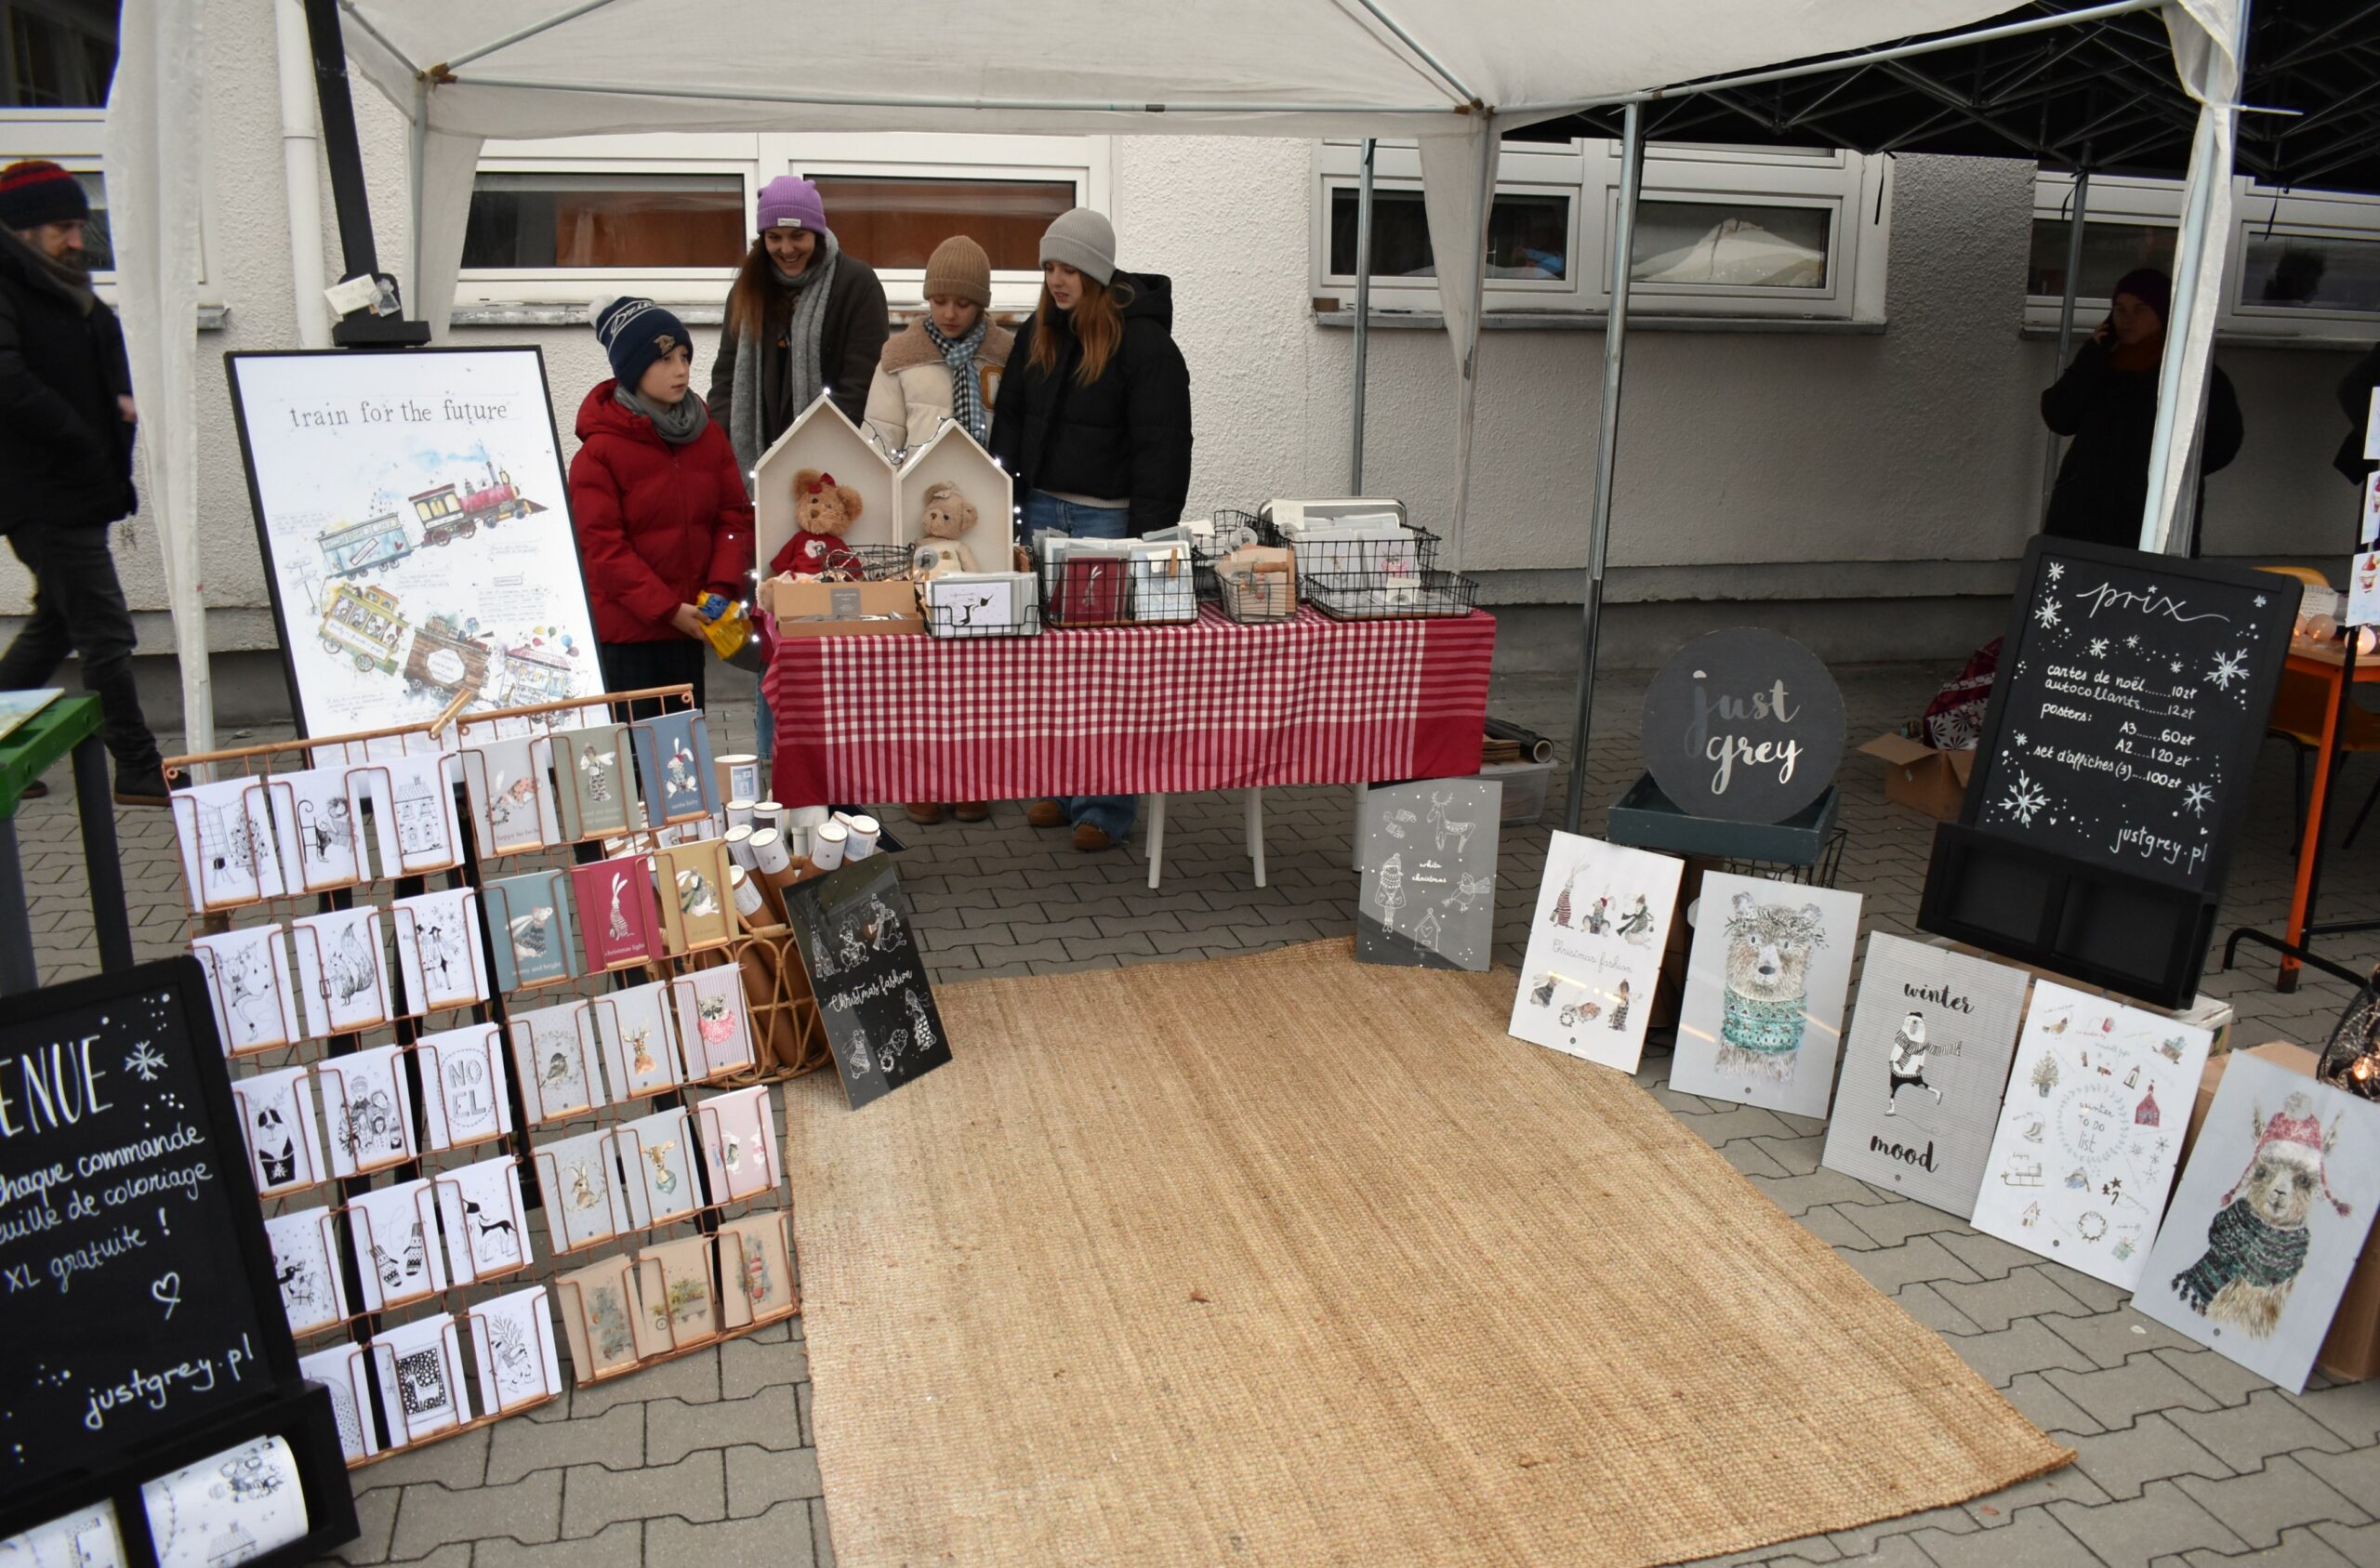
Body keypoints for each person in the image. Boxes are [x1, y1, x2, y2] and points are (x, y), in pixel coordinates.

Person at [988, 208, 1192, 851]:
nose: (1056, 279)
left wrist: (1148, 537)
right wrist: (1003, 502)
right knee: (1048, 666)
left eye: (1069, 268)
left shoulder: (1146, 345)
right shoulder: (1039, 331)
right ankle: (1059, 785)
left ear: (1098, 272)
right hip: (1042, 514)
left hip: (1109, 522)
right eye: (1049, 267)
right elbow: (1010, 420)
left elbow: (1163, 448)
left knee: (1106, 672)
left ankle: (1105, 806)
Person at [0, 160, 166, 804]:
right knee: (106, 631)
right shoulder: (10, 286)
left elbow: (98, 351)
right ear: (22, 230)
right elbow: (9, 382)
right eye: (62, 229)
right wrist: (80, 432)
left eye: (78, 226)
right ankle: (138, 767)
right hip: (44, 494)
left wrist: (120, 400)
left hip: (76, 488)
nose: (77, 240)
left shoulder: (61, 284)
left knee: (57, 624)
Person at [708, 176, 888, 765]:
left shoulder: (855, 283)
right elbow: (726, 376)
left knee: (836, 626)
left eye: (798, 236)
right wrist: (734, 457)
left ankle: (845, 780)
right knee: (776, 629)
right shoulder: (749, 286)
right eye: (774, 238)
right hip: (763, 481)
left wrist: (819, 464)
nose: (786, 249)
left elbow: (861, 381)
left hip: (831, 488)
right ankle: (777, 771)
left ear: (818, 232)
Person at [866, 235, 1014, 827]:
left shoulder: (1005, 354)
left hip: (986, 519)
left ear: (982, 303)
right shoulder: (900, 356)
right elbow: (879, 437)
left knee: (982, 659)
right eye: (939, 300)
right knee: (922, 660)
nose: (950, 313)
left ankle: (974, 777)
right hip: (923, 520)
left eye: (963, 302)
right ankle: (924, 778)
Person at [571, 296, 753, 716]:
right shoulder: (598, 453)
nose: (681, 369)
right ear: (633, 368)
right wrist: (667, 609)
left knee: (682, 750)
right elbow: (603, 549)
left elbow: (734, 518)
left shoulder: (707, 436)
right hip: (629, 639)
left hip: (690, 628)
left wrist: (719, 591)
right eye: (665, 358)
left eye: (685, 356)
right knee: (638, 749)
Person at [2040, 267, 2242, 555]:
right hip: (2083, 512)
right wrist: (2091, 355)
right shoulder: (2101, 363)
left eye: (2140, 309)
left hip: (2151, 512)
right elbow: (2059, 416)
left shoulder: (2191, 373)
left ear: (2163, 314)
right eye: (2120, 309)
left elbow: (2223, 442)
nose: (2128, 318)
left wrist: (2163, 471)